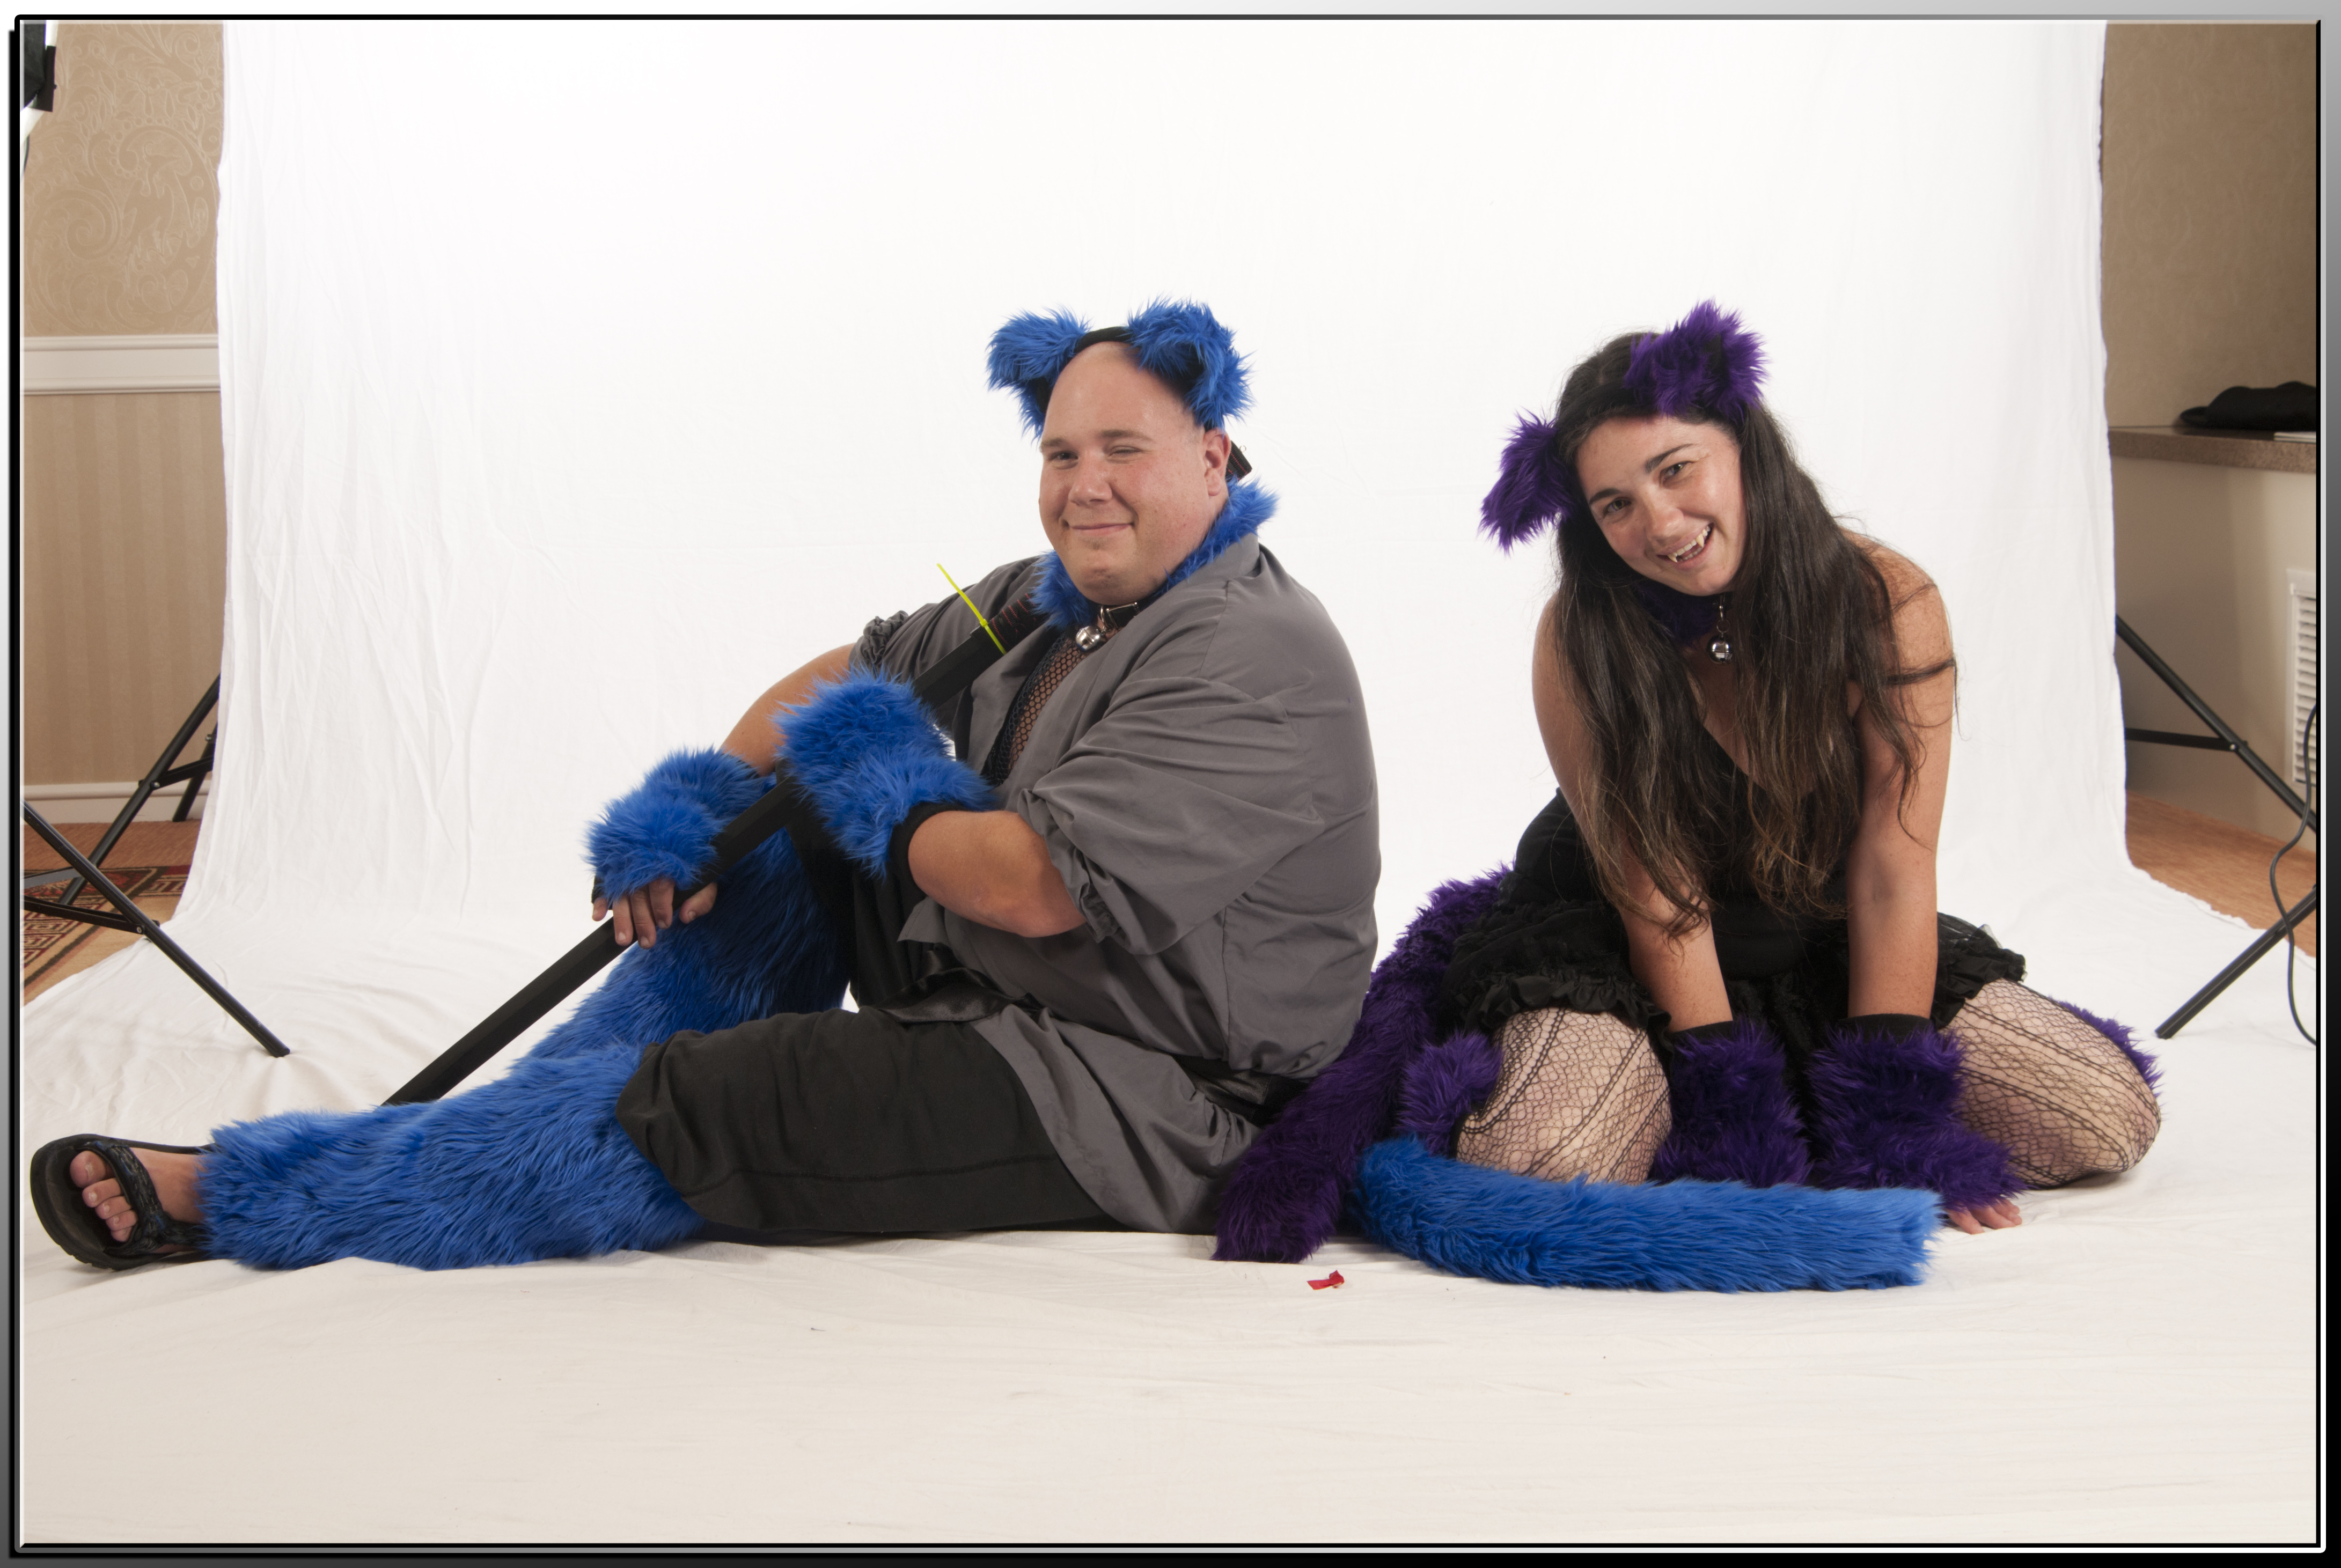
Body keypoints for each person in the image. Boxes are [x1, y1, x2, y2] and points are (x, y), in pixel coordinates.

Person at [35, 300, 1381, 1271]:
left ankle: (251, 1197)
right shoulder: (1053, 600)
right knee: (771, 840)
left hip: (1143, 1089)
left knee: (708, 1099)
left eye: (1123, 450)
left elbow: (1031, 889)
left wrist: (876, 770)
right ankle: (489, 1126)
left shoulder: (1249, 651)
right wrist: (697, 812)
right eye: (1061, 453)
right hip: (1008, 987)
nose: (1085, 487)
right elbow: (853, 669)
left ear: (1214, 454)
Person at [1212, 302, 2159, 1286]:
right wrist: (1728, 1102)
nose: (1660, 523)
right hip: (1627, 943)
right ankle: (1655, 1084)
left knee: (2106, 1119)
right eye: (1615, 504)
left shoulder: (1885, 603)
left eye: (1676, 470)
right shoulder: (1581, 637)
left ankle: (1810, 1095)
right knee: (1538, 1160)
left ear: (1744, 448)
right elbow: (1656, 894)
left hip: (1816, 936)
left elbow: (1893, 866)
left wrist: (1889, 1109)